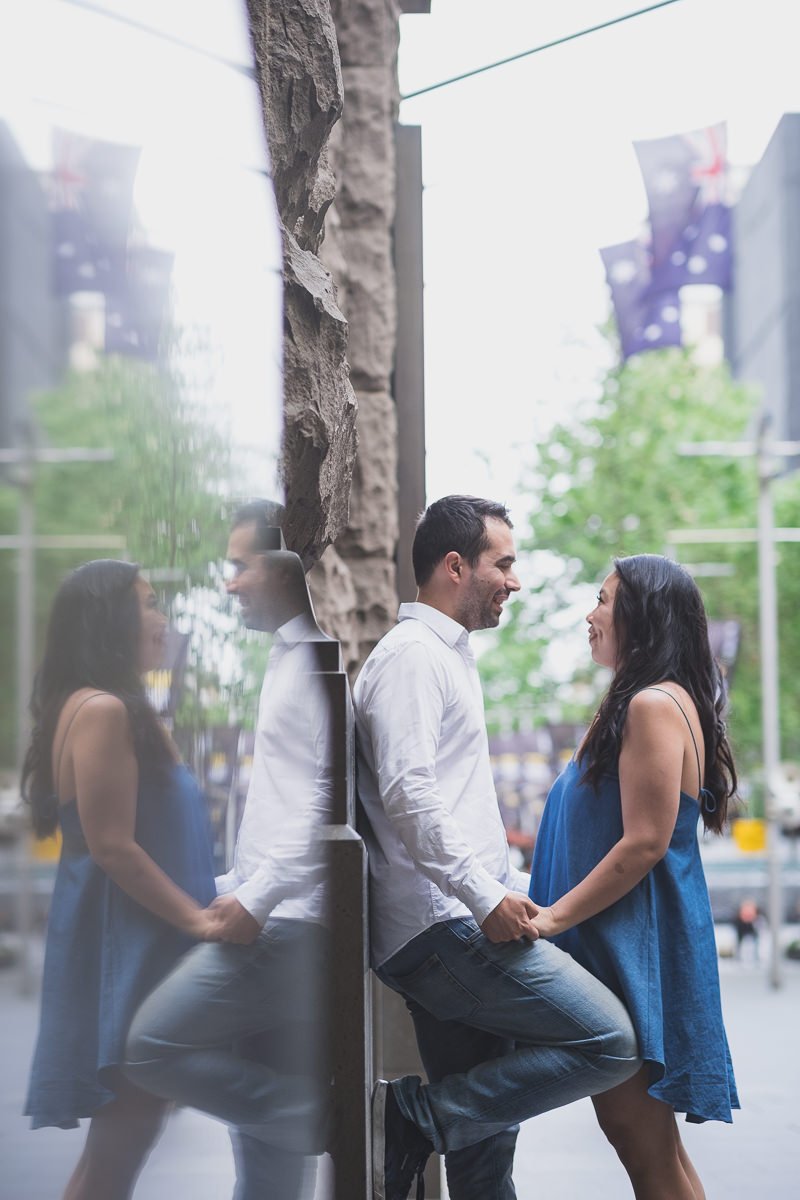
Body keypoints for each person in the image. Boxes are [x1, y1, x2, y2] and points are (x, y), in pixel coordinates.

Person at [354, 495, 640, 1200]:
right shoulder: (414, 658)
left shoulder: (443, 654)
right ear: (456, 566)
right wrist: (486, 899)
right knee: (610, 1042)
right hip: (444, 930)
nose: (515, 581)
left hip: (449, 924)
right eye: (503, 564)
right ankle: (412, 1117)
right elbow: (409, 795)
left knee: (481, 1165)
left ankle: (428, 1121)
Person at [124, 502, 333, 1200]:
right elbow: (285, 804)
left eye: (240, 565)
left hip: (288, 926)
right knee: (266, 1164)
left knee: (151, 1045)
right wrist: (224, 882)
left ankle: (316, 1117)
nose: (230, 583)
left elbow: (330, 804)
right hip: (275, 919)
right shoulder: (286, 659)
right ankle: (297, 1116)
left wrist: (257, 896)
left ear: (283, 568)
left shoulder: (314, 662)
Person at [530, 554, 740, 1200]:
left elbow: (644, 842)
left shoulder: (652, 704)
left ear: (642, 615)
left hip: (632, 951)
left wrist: (550, 919)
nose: (590, 615)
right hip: (626, 946)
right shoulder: (645, 699)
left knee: (643, 1146)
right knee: (654, 1148)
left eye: (603, 600)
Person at [23, 559, 218, 1200]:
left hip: (127, 939)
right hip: (125, 948)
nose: (162, 619)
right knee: (117, 1152)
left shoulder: (101, 705)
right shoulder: (102, 709)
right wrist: (199, 921)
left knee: (119, 1147)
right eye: (148, 604)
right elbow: (111, 845)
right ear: (110, 621)